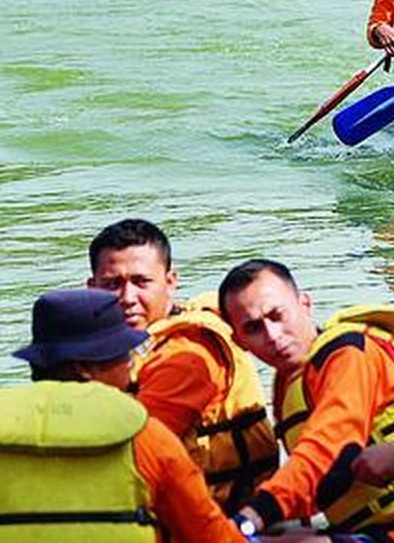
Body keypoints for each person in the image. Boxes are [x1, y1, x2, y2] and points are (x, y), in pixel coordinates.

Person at [0, 289, 250, 542]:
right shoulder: (146, 439)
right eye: (123, 355)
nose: (132, 367)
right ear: (85, 368)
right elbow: (210, 536)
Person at [219, 259, 394, 542]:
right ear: (239, 341)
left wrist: (250, 519)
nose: (272, 335)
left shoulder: (350, 355)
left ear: (304, 304)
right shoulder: (290, 381)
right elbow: (321, 482)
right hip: (376, 529)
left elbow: (328, 448)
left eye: (277, 315)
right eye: (253, 328)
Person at [87, 218, 278, 512]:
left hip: (223, 516)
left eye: (141, 282)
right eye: (112, 284)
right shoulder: (124, 352)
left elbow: (137, 454)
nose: (127, 298)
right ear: (91, 288)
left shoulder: (188, 351)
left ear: (171, 281)